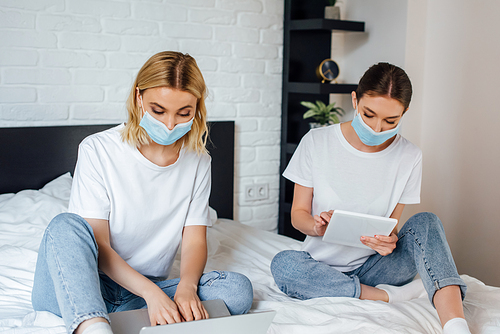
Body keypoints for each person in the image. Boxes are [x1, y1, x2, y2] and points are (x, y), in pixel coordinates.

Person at [31, 51, 253, 334]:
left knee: (237, 290)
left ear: (197, 108)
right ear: (139, 98)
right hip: (82, 283)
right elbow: (99, 247)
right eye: (158, 111)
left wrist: (185, 286)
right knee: (65, 225)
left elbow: (194, 240)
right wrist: (152, 295)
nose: (170, 124)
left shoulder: (199, 161)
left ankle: (105, 320)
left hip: (138, 292)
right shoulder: (97, 149)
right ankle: (93, 324)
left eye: (183, 113)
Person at [270, 63, 470, 334]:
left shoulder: (410, 156)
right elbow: (298, 215)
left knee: (427, 221)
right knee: (284, 265)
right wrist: (317, 226)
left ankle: (456, 326)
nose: (377, 129)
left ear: (404, 113)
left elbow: (391, 226)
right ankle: (387, 296)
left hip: (376, 269)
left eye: (390, 121)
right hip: (321, 268)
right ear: (355, 100)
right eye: (369, 115)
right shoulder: (316, 142)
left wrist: (389, 242)